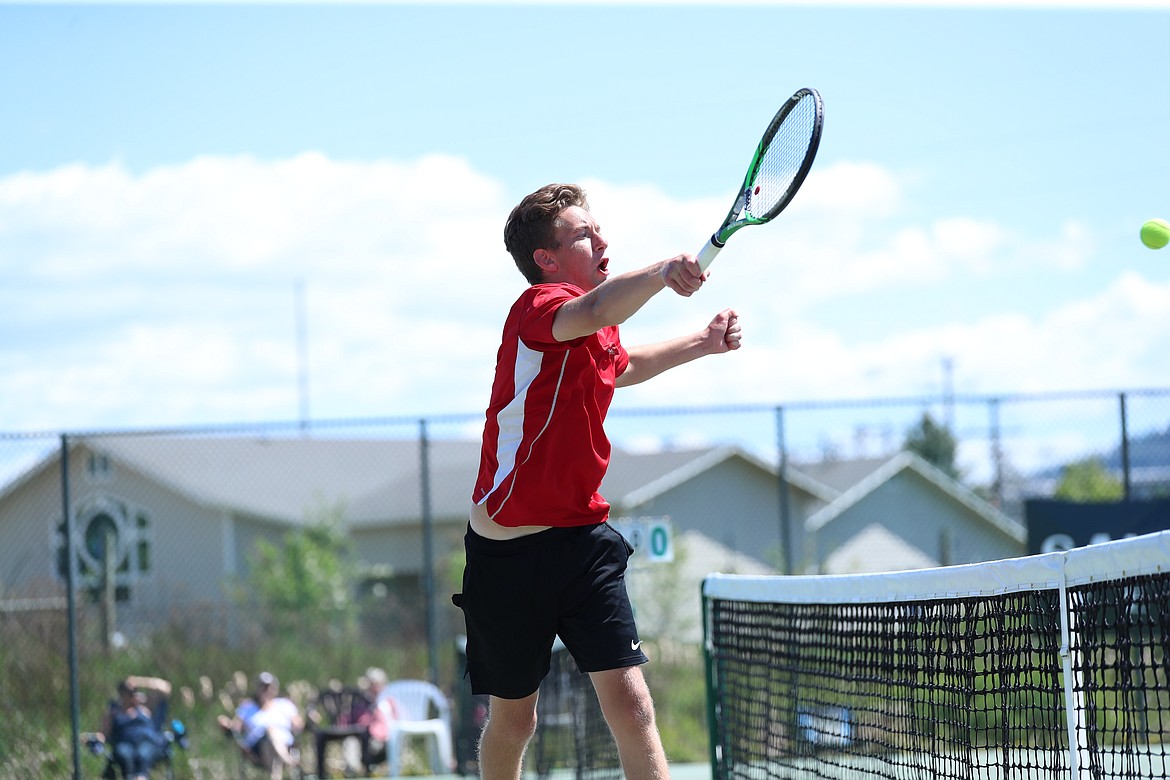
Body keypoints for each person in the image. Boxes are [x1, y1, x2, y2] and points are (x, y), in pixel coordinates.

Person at [455, 183, 742, 780]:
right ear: (547, 259)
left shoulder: (599, 324)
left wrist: (702, 343)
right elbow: (596, 311)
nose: (603, 239)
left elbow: (623, 363)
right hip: (507, 549)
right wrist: (664, 271)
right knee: (516, 720)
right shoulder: (537, 309)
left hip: (583, 541)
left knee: (632, 703)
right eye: (585, 233)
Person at [218, 672, 303, 780]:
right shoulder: (247, 707)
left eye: (268, 687)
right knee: (270, 732)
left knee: (273, 737)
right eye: (262, 687)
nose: (266, 690)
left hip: (286, 744)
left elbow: (299, 724)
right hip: (257, 750)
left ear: (275, 689)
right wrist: (225, 723)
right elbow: (235, 728)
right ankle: (288, 760)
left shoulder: (285, 705)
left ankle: (276, 775)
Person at [97, 675, 171, 780]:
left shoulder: (145, 708)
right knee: (124, 754)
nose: (134, 695)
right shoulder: (113, 712)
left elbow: (166, 688)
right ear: (122, 694)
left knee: (143, 754)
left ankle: (141, 777)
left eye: (135, 691)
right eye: (130, 692)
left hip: (146, 742)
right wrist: (94, 738)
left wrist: (137, 681)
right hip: (124, 743)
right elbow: (103, 734)